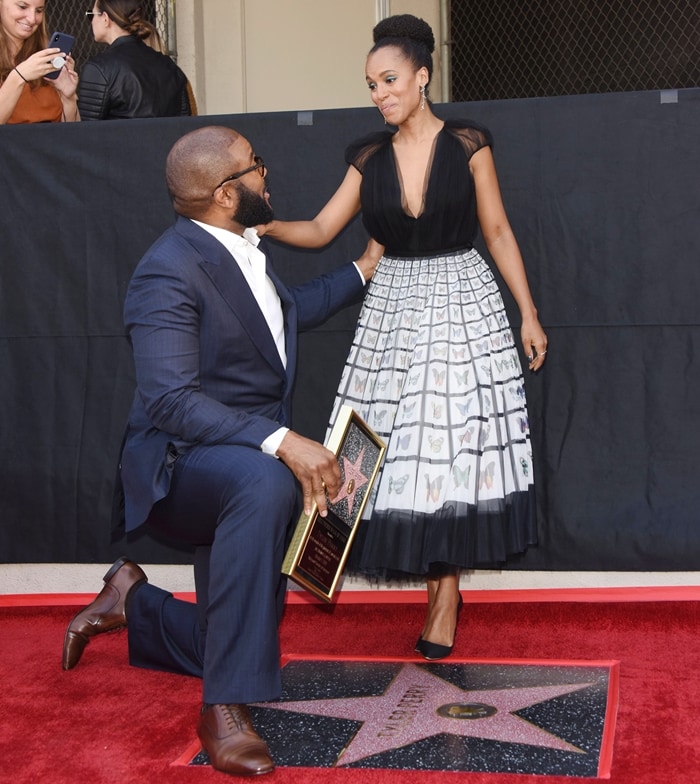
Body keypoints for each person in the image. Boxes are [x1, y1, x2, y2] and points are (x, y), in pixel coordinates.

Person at [61, 125, 381, 777]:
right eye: (256, 167)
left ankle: (135, 604)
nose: (268, 174)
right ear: (227, 193)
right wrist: (284, 442)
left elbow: (290, 311)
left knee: (235, 634)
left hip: (239, 465)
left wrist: (365, 268)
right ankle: (224, 708)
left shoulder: (244, 247)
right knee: (266, 483)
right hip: (178, 470)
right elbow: (172, 401)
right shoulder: (166, 272)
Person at [262, 14, 548, 661]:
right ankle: (418, 582)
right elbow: (320, 228)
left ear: (422, 77)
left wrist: (528, 313)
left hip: (461, 306)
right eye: (370, 84)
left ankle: (443, 594)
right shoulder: (368, 156)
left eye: (389, 79)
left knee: (450, 451)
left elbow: (497, 231)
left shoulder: (470, 144)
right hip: (393, 307)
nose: (379, 93)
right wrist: (260, 222)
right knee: (385, 448)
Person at [78, 0, 191, 120]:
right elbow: (184, 123)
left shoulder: (98, 68)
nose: (91, 22)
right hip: (170, 139)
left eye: (91, 15)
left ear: (105, 18)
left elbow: (86, 133)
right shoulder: (169, 65)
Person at [0, 0, 79, 123]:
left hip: (52, 141)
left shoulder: (46, 55)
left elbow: (73, 134)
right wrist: (18, 77)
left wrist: (68, 97)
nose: (32, 19)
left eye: (39, 10)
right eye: (22, 7)